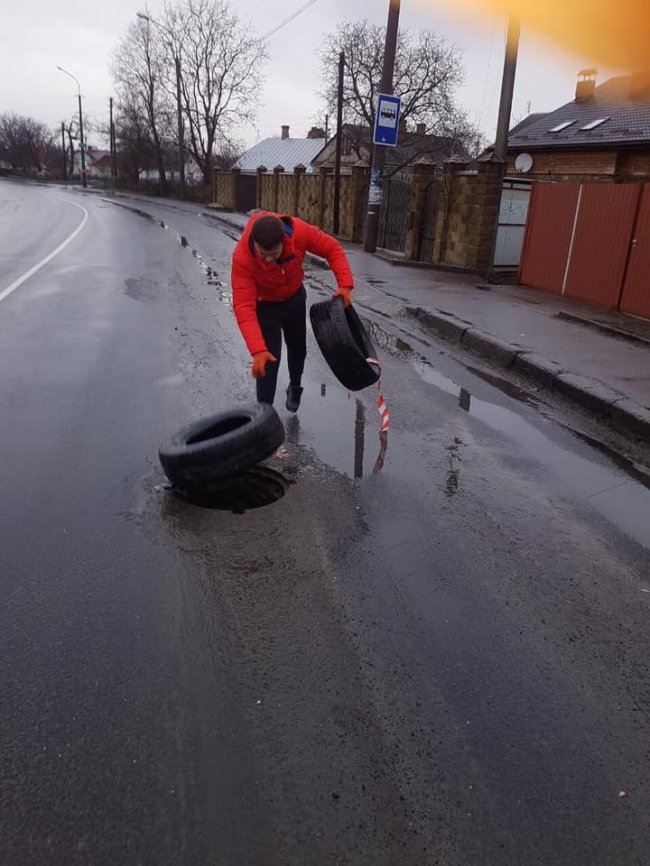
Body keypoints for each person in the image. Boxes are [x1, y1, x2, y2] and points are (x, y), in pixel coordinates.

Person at [231, 212, 354, 412]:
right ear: (254, 243)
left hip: (294, 298)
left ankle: (295, 387)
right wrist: (257, 350)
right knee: (268, 360)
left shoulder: (299, 232)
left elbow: (332, 248)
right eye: (263, 254)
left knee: (298, 348)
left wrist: (345, 285)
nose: (269, 259)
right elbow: (243, 306)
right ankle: (264, 413)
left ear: (284, 241)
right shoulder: (242, 258)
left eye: (274, 253)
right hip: (265, 306)